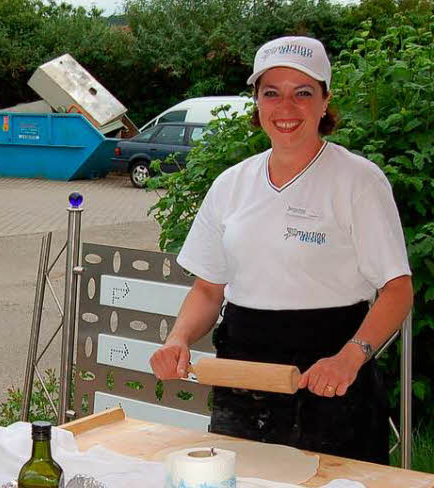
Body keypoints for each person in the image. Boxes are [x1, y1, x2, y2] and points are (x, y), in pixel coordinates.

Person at [150, 36, 413, 464]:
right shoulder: (232, 184)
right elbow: (208, 290)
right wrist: (178, 338)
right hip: (244, 379)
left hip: (330, 378)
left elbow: (398, 289)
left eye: (303, 93)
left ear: (326, 102)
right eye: (271, 93)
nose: (285, 107)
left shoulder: (358, 181)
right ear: (256, 103)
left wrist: (350, 359)